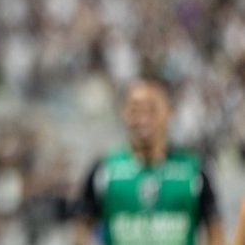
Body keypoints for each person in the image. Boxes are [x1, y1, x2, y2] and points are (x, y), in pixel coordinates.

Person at [74, 78, 223, 245]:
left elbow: (215, 231)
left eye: (152, 109)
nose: (143, 119)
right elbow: (81, 229)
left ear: (169, 112)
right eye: (135, 109)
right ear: (123, 113)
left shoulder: (193, 171)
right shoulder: (104, 170)